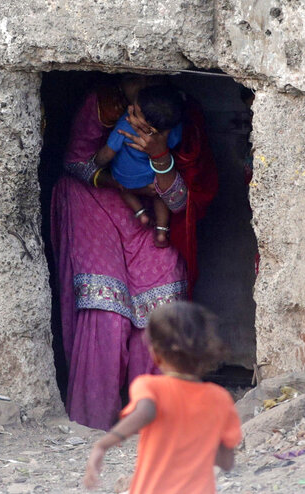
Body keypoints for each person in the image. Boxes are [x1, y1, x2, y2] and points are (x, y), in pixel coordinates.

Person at [51, 76, 218, 429]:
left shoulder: (179, 117)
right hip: (94, 199)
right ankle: (93, 419)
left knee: (163, 296)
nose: (140, 82)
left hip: (150, 210)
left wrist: (159, 154)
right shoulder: (103, 105)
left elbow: (179, 202)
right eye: (132, 78)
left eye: (148, 77)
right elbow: (76, 165)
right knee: (106, 304)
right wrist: (124, 180)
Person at [82, 301, 241, 494]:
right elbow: (226, 462)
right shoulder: (220, 398)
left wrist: (102, 444)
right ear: (206, 353)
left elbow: (147, 411)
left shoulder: (149, 385)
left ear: (155, 354)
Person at [93, 84, 185, 247]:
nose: (129, 108)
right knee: (159, 196)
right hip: (153, 179)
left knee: (124, 190)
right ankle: (162, 232)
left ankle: (140, 213)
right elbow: (175, 142)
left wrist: (95, 162)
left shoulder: (125, 126)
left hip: (124, 178)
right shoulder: (171, 129)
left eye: (135, 111)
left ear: (149, 124)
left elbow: (107, 153)